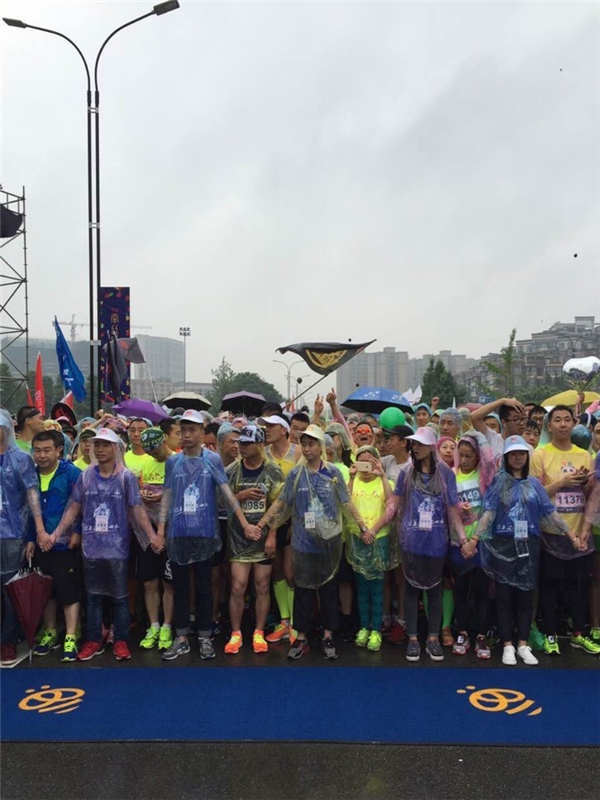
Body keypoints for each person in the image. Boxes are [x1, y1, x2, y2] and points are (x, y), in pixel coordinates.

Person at [156, 409, 262, 661]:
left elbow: (226, 494)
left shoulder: (212, 460)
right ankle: (182, 637)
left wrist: (245, 524)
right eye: (183, 430)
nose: (187, 435)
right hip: (179, 534)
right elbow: (167, 497)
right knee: (180, 587)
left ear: (203, 433)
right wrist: (160, 531)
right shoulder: (173, 462)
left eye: (192, 430)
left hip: (205, 533)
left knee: (205, 587)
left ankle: (205, 636)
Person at [260, 425, 371, 660]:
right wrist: (263, 524)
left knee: (329, 589)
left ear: (321, 447)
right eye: (304, 444)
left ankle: (328, 635)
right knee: (303, 589)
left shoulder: (333, 473)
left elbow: (346, 502)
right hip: (303, 544)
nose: (307, 449)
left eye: (311, 444)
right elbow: (282, 503)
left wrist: (362, 526)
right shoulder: (296, 475)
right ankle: (301, 637)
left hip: (329, 543)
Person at [52, 428, 160, 662]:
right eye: (97, 445)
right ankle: (93, 640)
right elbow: (73, 507)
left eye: (105, 445)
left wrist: (152, 536)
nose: (99, 449)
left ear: (115, 448)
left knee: (120, 597)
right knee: (93, 596)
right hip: (91, 548)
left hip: (117, 548)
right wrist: (57, 533)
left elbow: (137, 509)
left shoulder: (125, 477)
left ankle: (121, 640)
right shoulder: (86, 476)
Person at [477, 436, 568, 665]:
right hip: (503, 544)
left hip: (528, 545)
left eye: (521, 453)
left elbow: (550, 513)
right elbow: (488, 513)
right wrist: (475, 538)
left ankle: (523, 644)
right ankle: (507, 644)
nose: (518, 457)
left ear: (527, 457)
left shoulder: (534, 484)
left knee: (526, 596)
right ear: (506, 457)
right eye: (513, 454)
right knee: (504, 595)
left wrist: (571, 535)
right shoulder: (499, 483)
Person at [390, 427, 468, 662]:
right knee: (411, 590)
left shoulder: (446, 475)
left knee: (435, 590)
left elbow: (452, 509)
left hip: (436, 542)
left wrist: (463, 538)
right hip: (412, 542)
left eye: (420, 444)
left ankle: (433, 638)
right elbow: (395, 505)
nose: (415, 448)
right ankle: (413, 638)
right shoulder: (406, 473)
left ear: (432, 446)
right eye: (414, 444)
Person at [530, 405, 600, 655]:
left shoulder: (585, 455)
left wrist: (584, 484)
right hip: (551, 533)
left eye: (567, 420)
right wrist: (563, 482)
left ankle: (578, 634)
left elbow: (592, 494)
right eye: (557, 420)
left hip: (580, 531)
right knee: (550, 585)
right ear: (549, 426)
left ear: (574, 424)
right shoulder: (539, 455)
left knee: (578, 586)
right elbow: (534, 495)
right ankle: (550, 634)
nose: (562, 424)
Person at [224, 425, 283, 655]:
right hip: (238, 537)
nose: (242, 447)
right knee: (238, 585)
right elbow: (222, 501)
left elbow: (279, 505)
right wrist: (241, 496)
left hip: (263, 536)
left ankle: (258, 631)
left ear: (260, 444)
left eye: (248, 443)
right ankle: (236, 632)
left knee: (262, 585)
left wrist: (272, 534)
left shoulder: (273, 470)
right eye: (241, 443)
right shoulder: (232, 470)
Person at [30, 430, 83, 661]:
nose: (41, 455)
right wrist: (31, 538)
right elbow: (27, 511)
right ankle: (50, 631)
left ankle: (71, 635)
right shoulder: (31, 474)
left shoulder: (71, 473)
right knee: (46, 592)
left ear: (59, 450)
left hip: (64, 544)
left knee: (68, 590)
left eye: (46, 450)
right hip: (40, 544)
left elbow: (81, 504)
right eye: (37, 451)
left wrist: (77, 532)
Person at [0, 410, 48, 666]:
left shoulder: (20, 459)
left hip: (13, 534)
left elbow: (32, 497)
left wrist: (34, 532)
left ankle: (8, 640)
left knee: (12, 589)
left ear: (7, 429)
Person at [346, 446, 398, 652]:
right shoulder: (353, 480)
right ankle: (363, 627)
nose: (366, 466)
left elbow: (391, 506)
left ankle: (376, 629)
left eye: (370, 461)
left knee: (377, 587)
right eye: (362, 461)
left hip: (379, 538)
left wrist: (383, 476)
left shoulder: (387, 482)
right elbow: (345, 503)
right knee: (361, 586)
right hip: (357, 538)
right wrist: (351, 477)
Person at [450, 430, 496, 659]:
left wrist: (477, 433)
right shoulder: (451, 475)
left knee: (481, 590)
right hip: (458, 542)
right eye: (462, 455)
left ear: (477, 456)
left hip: (481, 542)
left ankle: (480, 634)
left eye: (470, 455)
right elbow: (448, 508)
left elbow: (489, 509)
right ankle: (462, 631)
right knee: (460, 589)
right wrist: (463, 540)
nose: (465, 460)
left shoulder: (484, 475)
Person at [135, 427, 175, 652]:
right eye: (149, 451)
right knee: (149, 582)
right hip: (148, 532)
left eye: (156, 449)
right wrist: (144, 494)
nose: (153, 454)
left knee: (169, 583)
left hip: (171, 532)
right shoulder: (146, 464)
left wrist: (163, 495)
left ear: (165, 441)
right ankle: (154, 625)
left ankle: (168, 625)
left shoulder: (176, 461)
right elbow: (140, 492)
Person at [261, 414, 299, 645]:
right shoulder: (263, 453)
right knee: (276, 571)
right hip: (269, 520)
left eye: (271, 426)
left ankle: (295, 623)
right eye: (265, 426)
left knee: (291, 571)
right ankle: (284, 621)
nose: (267, 429)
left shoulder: (298, 453)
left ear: (284, 430)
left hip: (293, 520)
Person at [378, 419, 413, 643]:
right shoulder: (386, 461)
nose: (387, 443)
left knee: (401, 577)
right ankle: (385, 617)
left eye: (390, 439)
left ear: (403, 442)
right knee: (385, 575)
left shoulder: (412, 466)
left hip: (404, 528)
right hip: (384, 526)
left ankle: (402, 619)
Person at [471, 398, 527, 462]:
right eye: (516, 419)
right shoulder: (492, 439)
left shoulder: (528, 447)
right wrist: (502, 401)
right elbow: (474, 418)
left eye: (524, 419)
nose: (522, 423)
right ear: (503, 422)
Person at [582, 452, 600, 641]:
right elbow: (596, 493)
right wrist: (587, 527)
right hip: (598, 527)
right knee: (597, 578)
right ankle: (596, 626)